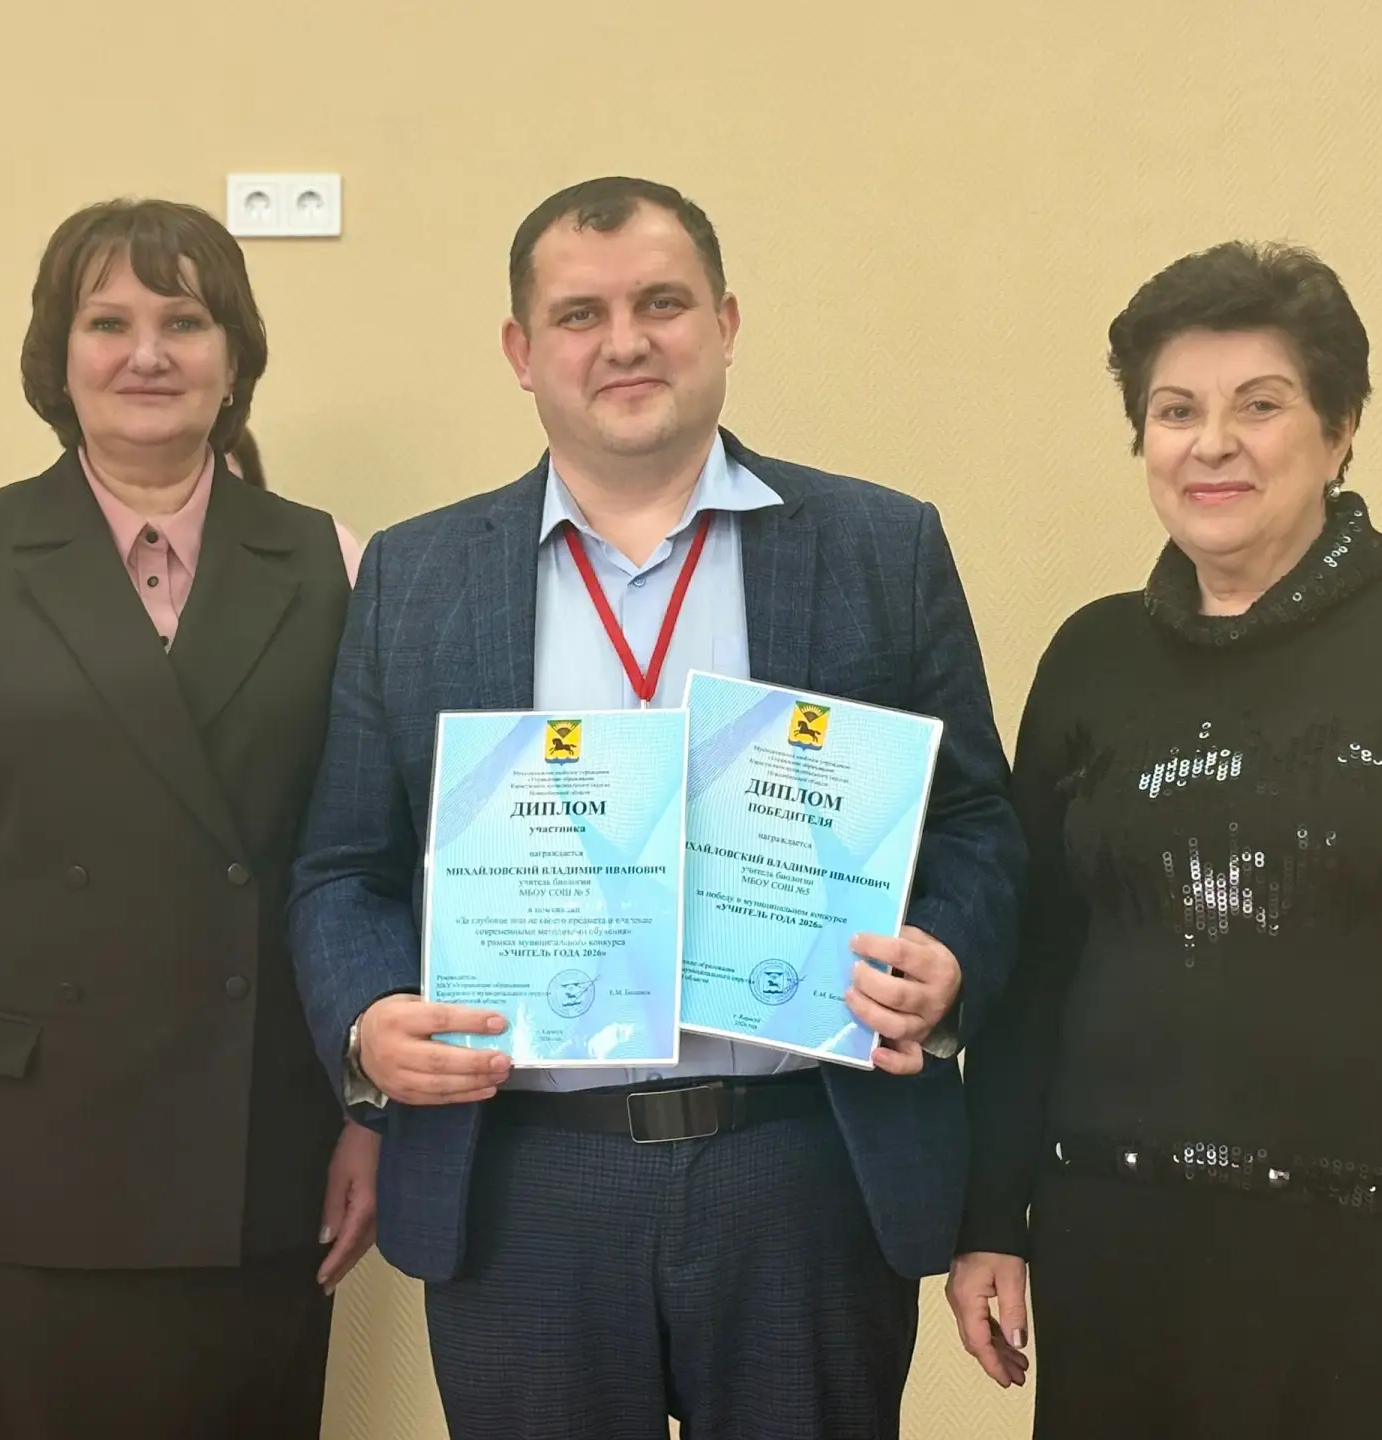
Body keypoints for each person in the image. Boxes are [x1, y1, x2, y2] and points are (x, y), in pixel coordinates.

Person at [289, 176, 1022, 1440]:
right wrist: (367, 1021)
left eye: (662, 303)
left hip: (804, 1168)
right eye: (580, 314)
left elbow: (975, 828)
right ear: (521, 352)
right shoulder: (417, 575)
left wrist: (946, 960)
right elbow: (342, 867)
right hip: (523, 1183)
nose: (624, 342)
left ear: (725, 323)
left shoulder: (879, 546)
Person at [949, 241, 1382, 1436]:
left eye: (1259, 405)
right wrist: (990, 1218)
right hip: (1125, 1267)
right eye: (1176, 410)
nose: (1211, 443)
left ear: (1340, 427)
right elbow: (1036, 966)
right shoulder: (1091, 660)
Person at [0, 199, 376, 1440]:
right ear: (57, 358)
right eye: (108, 323)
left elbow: (368, 857)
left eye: (185, 321)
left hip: (261, 1150)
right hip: (11, 1159)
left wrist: (373, 1116)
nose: (147, 353)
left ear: (235, 358)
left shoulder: (333, 561)